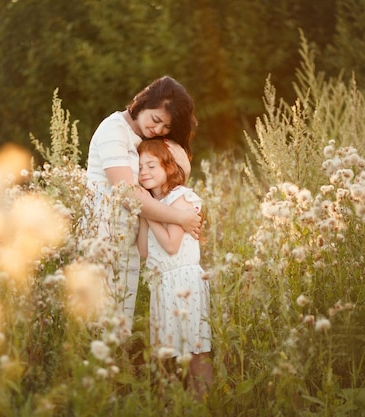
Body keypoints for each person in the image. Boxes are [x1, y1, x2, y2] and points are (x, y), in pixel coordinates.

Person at [85, 76, 201, 334]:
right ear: (142, 102)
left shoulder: (147, 140)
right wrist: (179, 217)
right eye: (156, 119)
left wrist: (184, 167)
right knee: (98, 321)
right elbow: (126, 194)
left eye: (166, 127)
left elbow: (164, 186)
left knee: (119, 323)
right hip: (102, 236)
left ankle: (114, 372)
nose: (158, 129)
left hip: (130, 238)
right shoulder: (113, 130)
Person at [136, 139, 212, 402]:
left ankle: (204, 403)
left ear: (169, 167)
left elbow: (170, 244)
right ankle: (179, 404)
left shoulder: (181, 199)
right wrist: (146, 210)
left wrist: (148, 213)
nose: (143, 171)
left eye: (151, 165)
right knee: (171, 354)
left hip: (184, 282)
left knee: (195, 350)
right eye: (140, 167)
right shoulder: (156, 204)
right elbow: (145, 251)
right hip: (163, 284)